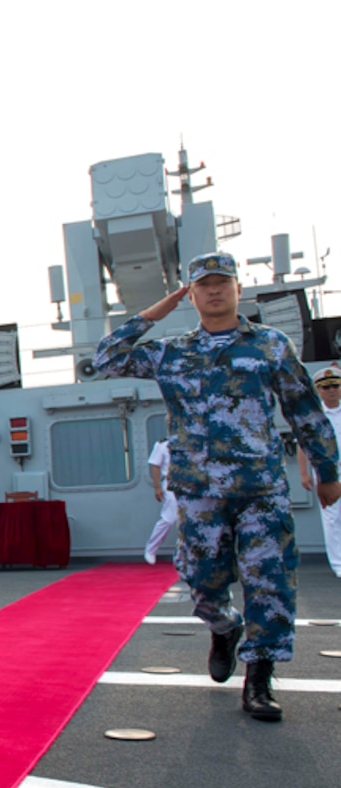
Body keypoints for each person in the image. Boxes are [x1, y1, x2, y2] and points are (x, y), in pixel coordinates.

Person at [95, 252, 340, 721]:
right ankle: (224, 627)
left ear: (237, 289)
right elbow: (106, 358)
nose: (214, 290)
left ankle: (260, 676)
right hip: (199, 492)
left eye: (222, 282)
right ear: (190, 293)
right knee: (202, 582)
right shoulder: (172, 352)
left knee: (269, 582)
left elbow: (304, 409)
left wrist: (328, 473)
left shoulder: (269, 345)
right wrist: (155, 312)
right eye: (203, 284)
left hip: (260, 490)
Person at [297, 365, 341, 577]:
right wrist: (304, 473)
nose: (331, 391)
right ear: (318, 390)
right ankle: (339, 565)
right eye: (326, 387)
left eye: (335, 386)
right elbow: (303, 444)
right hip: (328, 472)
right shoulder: (313, 416)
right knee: (333, 519)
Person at [143, 439, 178, 566]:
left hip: (190, 484)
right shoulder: (163, 444)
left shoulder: (191, 441)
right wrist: (157, 487)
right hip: (171, 483)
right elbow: (155, 465)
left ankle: (183, 554)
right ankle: (151, 548)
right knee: (169, 519)